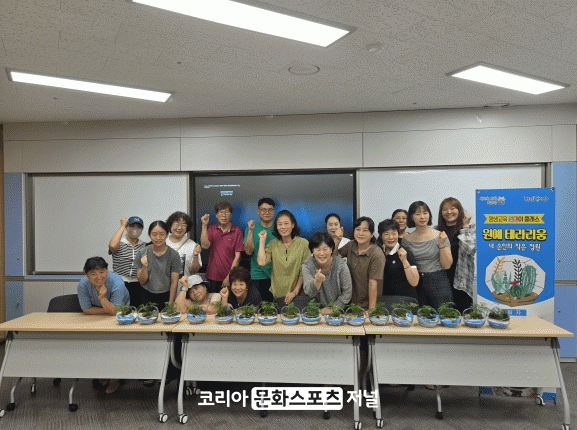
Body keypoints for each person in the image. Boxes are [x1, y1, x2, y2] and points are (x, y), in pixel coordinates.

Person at [77, 256, 130, 394]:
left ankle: (115, 378)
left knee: (115, 344)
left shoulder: (117, 282)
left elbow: (116, 312)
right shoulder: (83, 285)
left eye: (102, 272)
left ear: (107, 271)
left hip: (121, 316)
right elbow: (86, 309)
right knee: (98, 343)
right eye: (93, 273)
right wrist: (107, 309)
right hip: (98, 316)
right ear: (87, 275)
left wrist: (102, 298)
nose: (99, 277)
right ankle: (104, 373)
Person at [402, 201, 453, 308]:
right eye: (417, 214)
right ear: (411, 217)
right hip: (416, 282)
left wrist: (441, 244)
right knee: (419, 315)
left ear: (429, 215)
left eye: (425, 213)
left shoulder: (440, 235)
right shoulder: (406, 240)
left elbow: (447, 265)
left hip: (438, 281)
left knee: (444, 314)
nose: (422, 217)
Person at [257, 210, 310, 303]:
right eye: (280, 224)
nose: (283, 227)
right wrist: (262, 241)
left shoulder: (303, 243)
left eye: (286, 223)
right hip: (277, 296)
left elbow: (305, 271)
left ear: (293, 225)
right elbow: (261, 262)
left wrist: (295, 292)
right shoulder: (273, 244)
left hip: (298, 295)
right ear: (276, 226)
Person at [338, 217, 385, 311]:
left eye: (365, 230)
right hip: (349, 303)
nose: (360, 233)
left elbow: (373, 283)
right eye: (358, 229)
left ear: (372, 234)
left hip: (366, 305)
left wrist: (371, 309)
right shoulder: (351, 245)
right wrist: (337, 241)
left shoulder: (376, 254)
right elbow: (335, 259)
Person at [437, 197, 474, 312]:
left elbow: (468, 249)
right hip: (441, 280)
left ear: (459, 210)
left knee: (464, 313)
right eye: (445, 209)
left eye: (452, 208)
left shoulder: (470, 229)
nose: (448, 212)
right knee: (443, 314)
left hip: (461, 280)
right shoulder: (436, 231)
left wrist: (465, 226)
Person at [302, 232, 352, 314]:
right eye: (318, 249)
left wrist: (333, 308)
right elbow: (309, 292)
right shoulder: (307, 265)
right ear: (312, 251)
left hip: (338, 311)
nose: (322, 253)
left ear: (331, 249)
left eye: (325, 249)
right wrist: (316, 282)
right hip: (315, 311)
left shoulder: (341, 265)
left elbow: (347, 293)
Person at [200, 201, 244, 293]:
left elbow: (237, 257)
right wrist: (204, 225)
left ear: (231, 214)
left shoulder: (237, 231)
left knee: (228, 301)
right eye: (221, 212)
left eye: (226, 212)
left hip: (230, 276)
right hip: (213, 276)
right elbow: (204, 245)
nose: (224, 215)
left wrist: (229, 277)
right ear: (216, 215)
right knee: (213, 301)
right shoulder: (212, 229)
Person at [134, 221, 182, 304]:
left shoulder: (174, 255)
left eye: (162, 234)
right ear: (149, 235)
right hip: (146, 294)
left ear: (167, 235)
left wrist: (170, 303)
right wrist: (144, 266)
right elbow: (142, 281)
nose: (158, 238)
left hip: (166, 295)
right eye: (154, 234)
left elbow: (174, 282)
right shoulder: (142, 253)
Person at [108, 216, 146, 308]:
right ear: (126, 228)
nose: (135, 229)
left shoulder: (144, 245)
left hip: (138, 284)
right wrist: (122, 226)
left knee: (137, 310)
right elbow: (112, 246)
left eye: (139, 227)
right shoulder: (119, 243)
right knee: (119, 310)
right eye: (132, 226)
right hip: (120, 282)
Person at [377, 219, 419, 300]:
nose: (391, 237)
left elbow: (414, 282)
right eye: (386, 234)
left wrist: (404, 260)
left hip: (405, 300)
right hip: (385, 300)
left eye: (394, 233)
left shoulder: (406, 253)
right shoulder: (379, 252)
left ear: (398, 234)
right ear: (381, 236)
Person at [244, 198, 275, 302]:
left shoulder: (280, 228)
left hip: (276, 276)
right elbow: (248, 252)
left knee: (275, 308)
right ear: (258, 211)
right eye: (263, 210)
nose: (267, 212)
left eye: (270, 210)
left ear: (274, 211)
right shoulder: (252, 228)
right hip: (257, 275)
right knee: (257, 308)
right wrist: (250, 231)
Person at [165, 211, 201, 278]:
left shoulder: (192, 245)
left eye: (183, 224)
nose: (179, 228)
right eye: (176, 224)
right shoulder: (163, 242)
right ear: (170, 225)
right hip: (164, 283)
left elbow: (194, 271)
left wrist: (195, 256)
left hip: (184, 283)